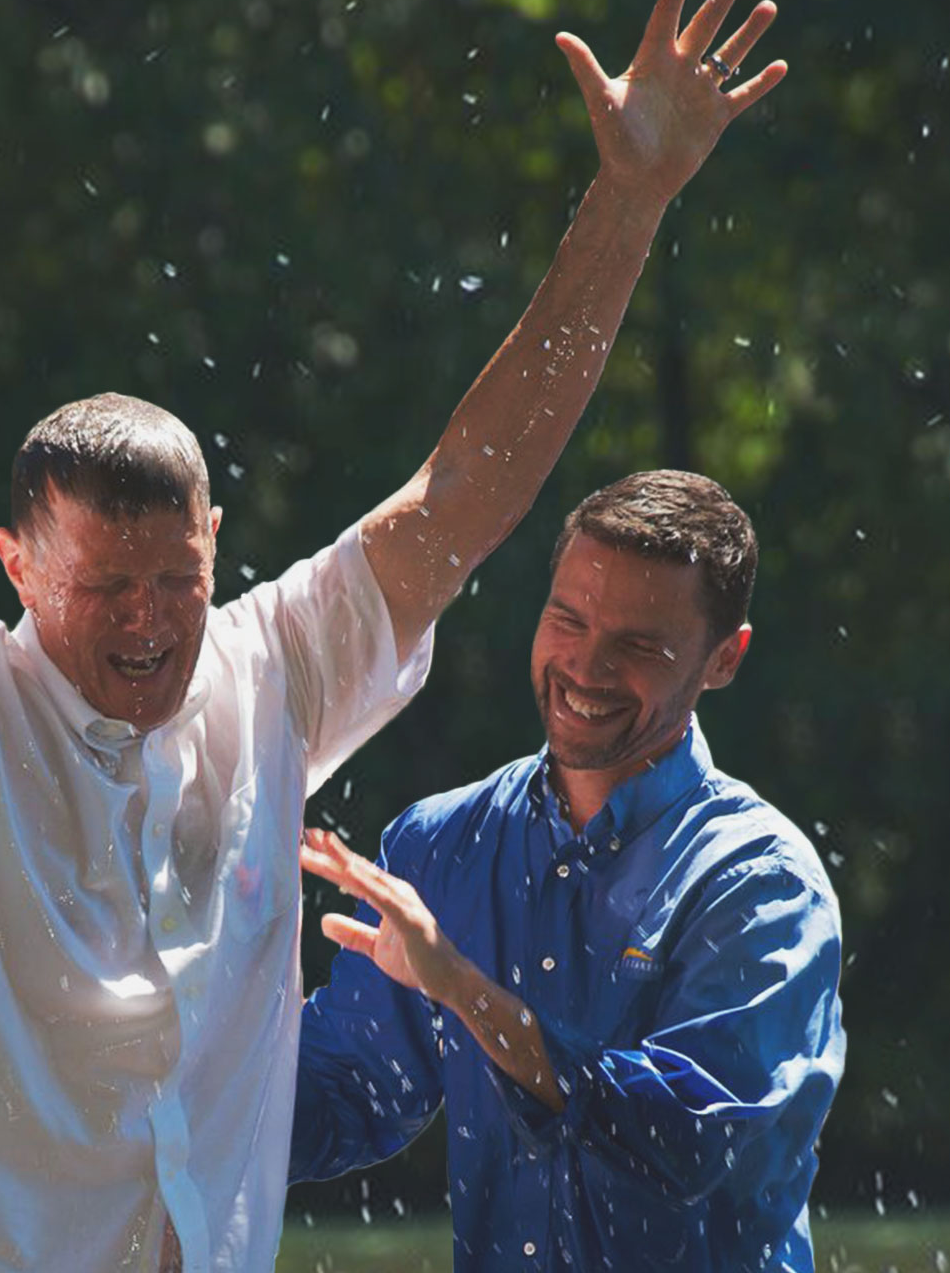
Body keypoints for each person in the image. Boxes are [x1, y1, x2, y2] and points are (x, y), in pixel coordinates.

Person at [0, 0, 790, 1272]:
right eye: (103, 592)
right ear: (16, 567)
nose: (149, 627)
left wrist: (630, 199)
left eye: (176, 583)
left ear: (217, 549)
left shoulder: (268, 676)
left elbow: (463, 496)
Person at [292, 470, 846, 1272]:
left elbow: (682, 1137)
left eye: (638, 646)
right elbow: (344, 1094)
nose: (585, 668)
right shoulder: (442, 846)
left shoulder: (760, 885)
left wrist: (465, 990)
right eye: (568, 620)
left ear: (725, 658)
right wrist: (140, 1073)